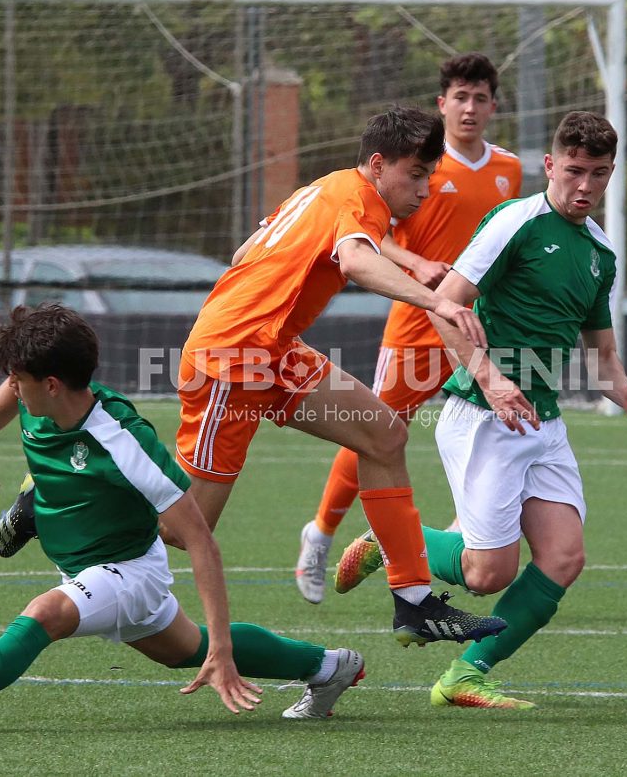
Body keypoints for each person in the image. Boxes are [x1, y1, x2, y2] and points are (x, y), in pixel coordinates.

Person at [0, 304, 364, 734]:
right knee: (187, 649)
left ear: (52, 384)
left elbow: (200, 540)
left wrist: (226, 652)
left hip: (128, 571)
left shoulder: (121, 440)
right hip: (82, 562)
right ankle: (328, 666)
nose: (13, 387)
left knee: (42, 617)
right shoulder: (40, 395)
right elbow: (13, 390)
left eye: (19, 379)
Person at [334, 111, 627, 708]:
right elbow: (444, 305)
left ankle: (465, 676)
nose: (585, 186)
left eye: (598, 174)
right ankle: (391, 542)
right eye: (574, 170)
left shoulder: (601, 252)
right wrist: (490, 378)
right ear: (550, 165)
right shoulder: (515, 222)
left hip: (543, 421)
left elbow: (601, 357)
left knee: (563, 558)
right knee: (486, 575)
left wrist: (624, 392)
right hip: (483, 415)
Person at [173, 105, 506, 648]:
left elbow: (245, 251)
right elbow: (353, 261)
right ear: (378, 165)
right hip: (231, 359)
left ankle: (415, 603)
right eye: (416, 174)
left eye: (430, 175)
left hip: (273, 350)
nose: (424, 189)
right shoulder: (358, 201)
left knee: (385, 435)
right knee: (181, 529)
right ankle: (63, 482)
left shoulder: (332, 188)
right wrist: (436, 302)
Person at [295, 52, 522, 605]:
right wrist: (417, 264)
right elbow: (378, 236)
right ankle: (321, 533)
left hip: (477, 325)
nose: (469, 108)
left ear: (493, 106)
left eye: (480, 98)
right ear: (442, 104)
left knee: (506, 424)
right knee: (373, 430)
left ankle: (462, 535)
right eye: (459, 97)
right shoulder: (417, 164)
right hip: (418, 321)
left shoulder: (510, 170)